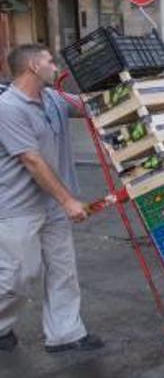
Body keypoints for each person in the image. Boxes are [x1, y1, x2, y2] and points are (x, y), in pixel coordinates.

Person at [0, 44, 103, 353]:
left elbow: (87, 106)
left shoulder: (52, 98)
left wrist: (121, 87)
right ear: (33, 66)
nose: (55, 67)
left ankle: (65, 334)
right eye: (49, 61)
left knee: (63, 270)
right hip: (18, 205)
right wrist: (68, 201)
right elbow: (31, 160)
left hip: (53, 205)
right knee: (17, 275)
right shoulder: (8, 108)